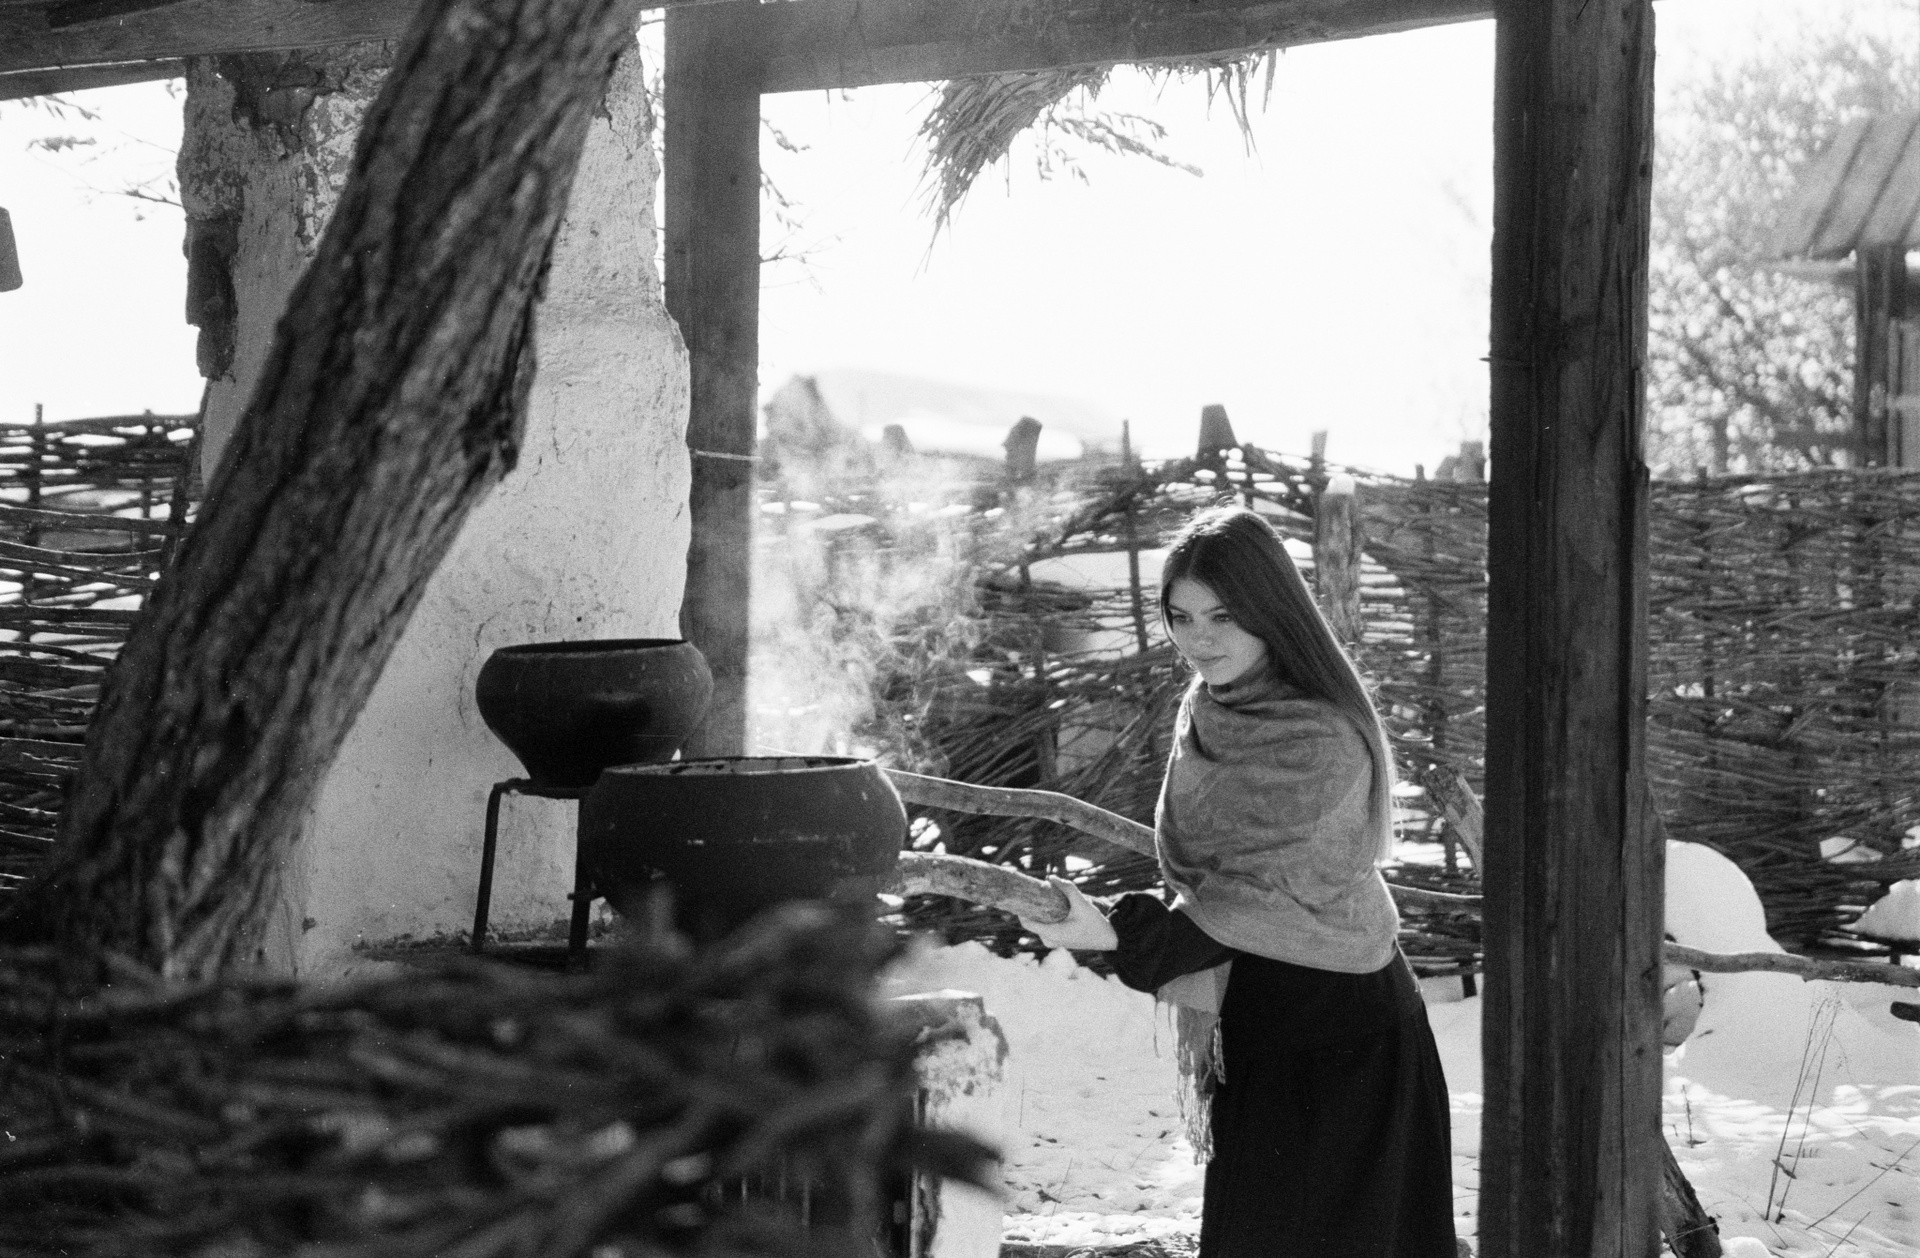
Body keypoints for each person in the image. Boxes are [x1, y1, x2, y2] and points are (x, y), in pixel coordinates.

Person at [1017, 505, 1457, 1258]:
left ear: (1270, 609)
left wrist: (1117, 934)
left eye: (1223, 615)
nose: (1200, 639)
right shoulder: (1207, 709)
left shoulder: (1320, 735)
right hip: (1257, 1031)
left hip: (1346, 1045)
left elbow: (1256, 897)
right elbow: (1214, 879)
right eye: (1181, 617)